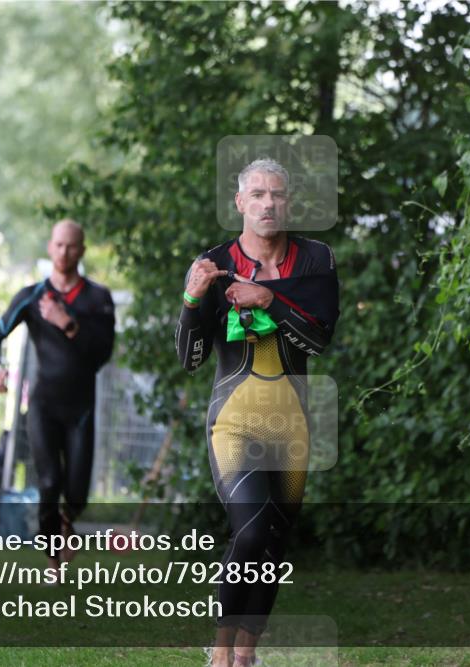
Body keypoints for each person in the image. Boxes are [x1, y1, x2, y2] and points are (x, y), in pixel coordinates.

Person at [175, 158, 340, 667]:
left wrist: (268, 296)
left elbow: (320, 338)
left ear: (288, 203)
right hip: (235, 418)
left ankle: (247, 654)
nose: (269, 203)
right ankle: (220, 651)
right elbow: (190, 358)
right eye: (259, 194)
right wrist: (191, 300)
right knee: (250, 528)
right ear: (240, 203)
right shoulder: (212, 261)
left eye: (278, 195)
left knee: (274, 541)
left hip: (292, 423)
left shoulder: (316, 259)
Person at [0, 220, 115, 571]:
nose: (64, 252)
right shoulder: (32, 295)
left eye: (71, 246)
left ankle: (68, 520)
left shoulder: (97, 298)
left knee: (76, 493)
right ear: (49, 247)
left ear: (82, 250)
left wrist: (67, 323)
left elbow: (102, 354)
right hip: (43, 405)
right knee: (47, 482)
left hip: (81, 408)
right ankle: (53, 560)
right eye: (58, 245)